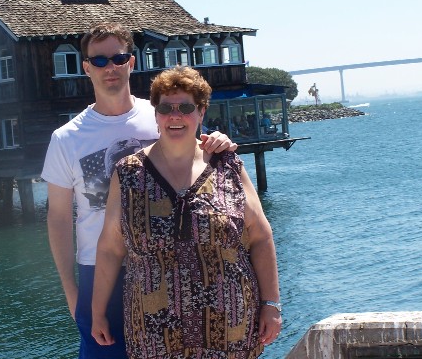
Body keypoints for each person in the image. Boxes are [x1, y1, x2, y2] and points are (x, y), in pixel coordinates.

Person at [41, 23, 237, 359]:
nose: (110, 67)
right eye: (99, 61)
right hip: (98, 271)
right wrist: (71, 291)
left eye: (118, 58)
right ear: (86, 68)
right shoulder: (66, 138)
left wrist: (219, 141)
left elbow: (199, 158)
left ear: (131, 62)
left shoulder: (162, 114)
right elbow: (58, 218)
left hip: (167, 262)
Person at [91, 66, 282, 358]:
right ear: (156, 115)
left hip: (230, 331)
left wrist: (271, 305)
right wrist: (97, 312)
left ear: (201, 112)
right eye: (166, 108)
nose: (175, 116)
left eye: (186, 108)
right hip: (154, 335)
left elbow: (261, 237)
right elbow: (109, 248)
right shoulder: (128, 173)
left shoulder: (227, 165)